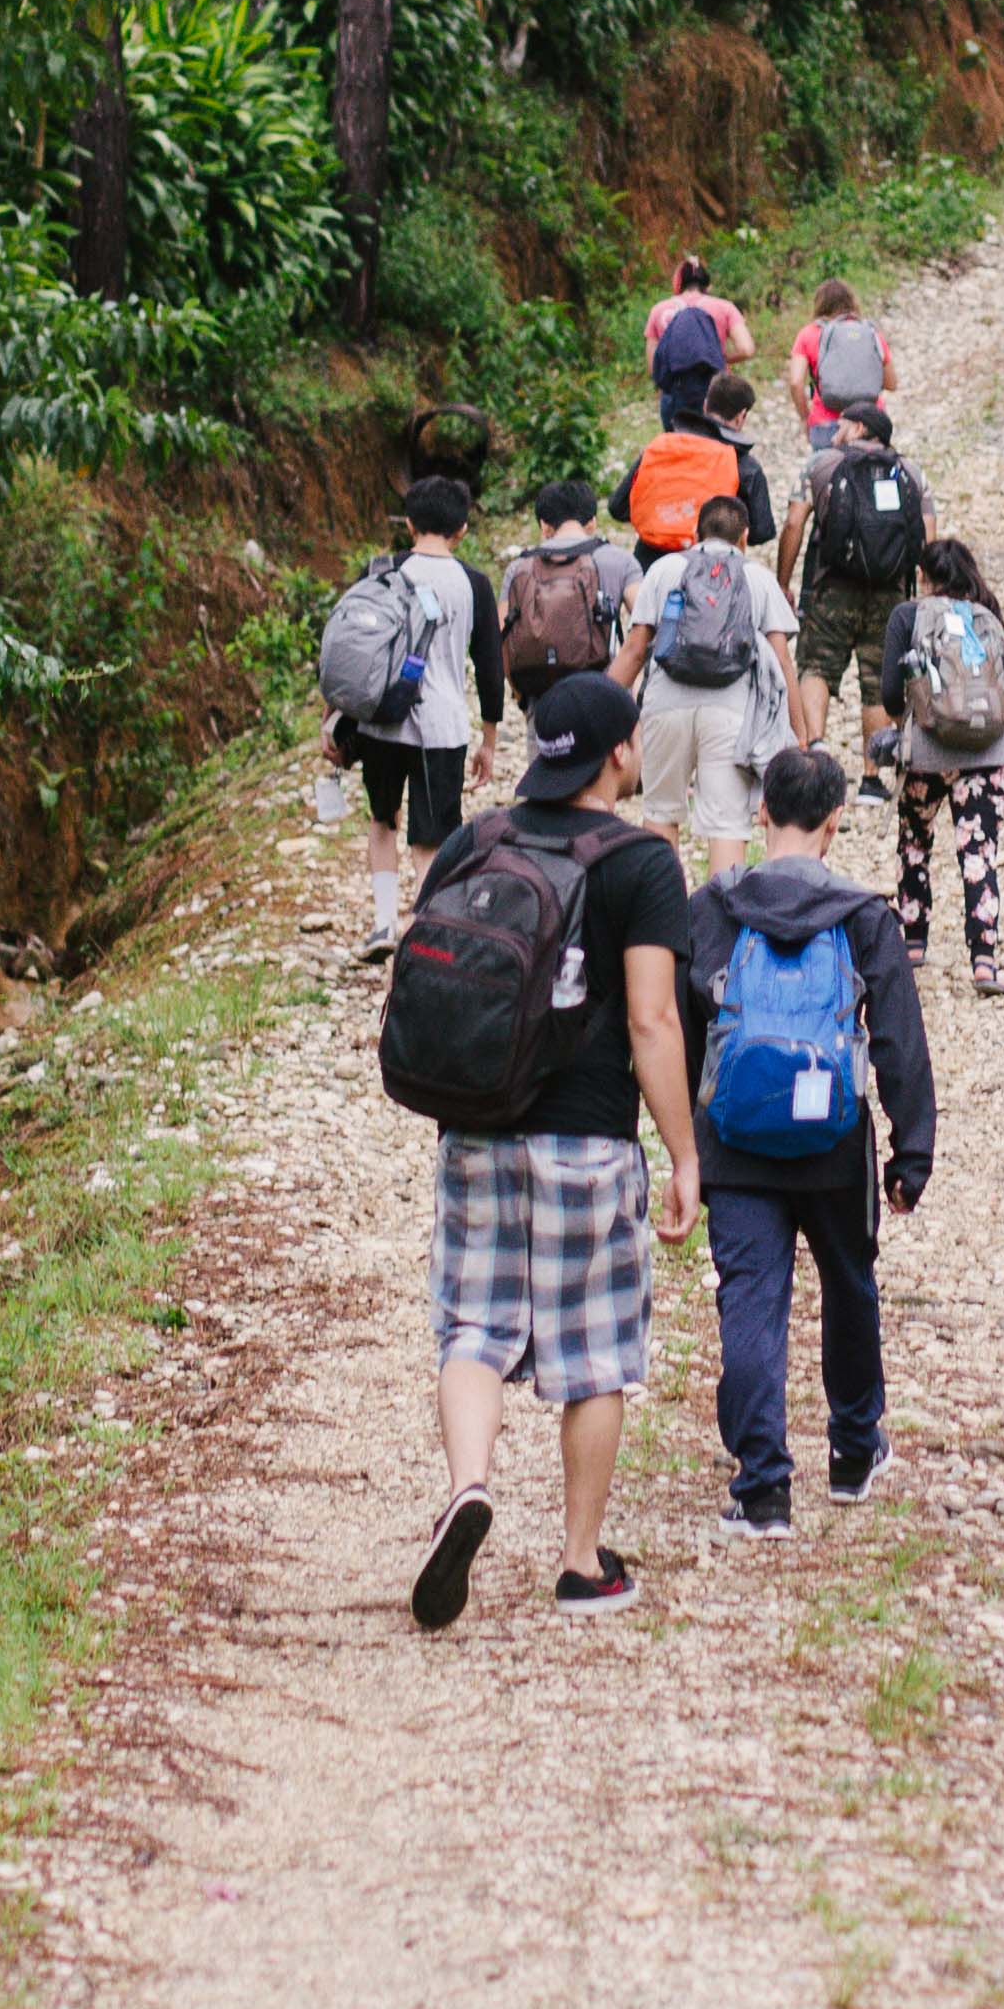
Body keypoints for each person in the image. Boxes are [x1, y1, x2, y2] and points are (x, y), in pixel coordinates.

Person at [400, 674, 703, 1627]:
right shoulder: (642, 864)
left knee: (473, 1330)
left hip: (477, 1128)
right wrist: (685, 1155)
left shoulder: (473, 839)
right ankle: (579, 1564)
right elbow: (653, 1021)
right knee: (594, 1354)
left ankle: (470, 1486)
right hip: (587, 1140)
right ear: (619, 754)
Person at [675, 747, 931, 1536]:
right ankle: (854, 1451)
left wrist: (687, 1142)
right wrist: (909, 1151)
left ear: (760, 813)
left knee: (750, 1300)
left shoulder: (712, 908)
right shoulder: (862, 915)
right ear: (835, 822)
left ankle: (763, 1491)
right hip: (834, 1145)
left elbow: (683, 1031)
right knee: (850, 1288)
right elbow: (897, 1040)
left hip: (735, 1144)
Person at [326, 478, 502, 961]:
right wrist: (489, 739)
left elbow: (350, 650)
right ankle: (420, 929)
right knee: (431, 835)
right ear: (462, 529)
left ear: (408, 523)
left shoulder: (379, 571)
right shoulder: (474, 584)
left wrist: (333, 716)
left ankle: (382, 923)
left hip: (380, 721)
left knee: (382, 818)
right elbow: (490, 667)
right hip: (441, 728)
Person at [863, 530, 1004, 996]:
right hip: (990, 754)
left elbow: (891, 696)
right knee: (978, 854)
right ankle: (985, 963)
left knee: (915, 842)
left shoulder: (908, 615)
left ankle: (913, 943)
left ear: (923, 577)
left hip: (926, 754)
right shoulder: (987, 616)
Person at [614, 492, 798, 873]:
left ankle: (663, 920)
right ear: (744, 536)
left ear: (696, 533)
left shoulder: (664, 570)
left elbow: (634, 650)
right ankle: (721, 924)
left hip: (665, 707)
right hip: (730, 712)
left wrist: (602, 713)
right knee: (727, 823)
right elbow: (782, 662)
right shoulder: (757, 578)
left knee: (661, 812)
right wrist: (803, 735)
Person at [777, 401, 925, 762]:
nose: (834, 432)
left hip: (833, 586)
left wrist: (782, 582)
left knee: (817, 667)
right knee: (876, 680)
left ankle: (815, 748)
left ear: (859, 428)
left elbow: (795, 522)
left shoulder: (822, 464)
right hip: (890, 591)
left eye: (841, 425)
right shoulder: (910, 471)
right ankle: (873, 777)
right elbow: (927, 537)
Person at [490, 481, 641, 729]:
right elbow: (646, 624)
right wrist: (623, 684)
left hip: (543, 694)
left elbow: (502, 637)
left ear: (544, 526)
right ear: (592, 522)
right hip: (604, 693)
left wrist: (521, 695)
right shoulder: (620, 561)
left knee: (547, 764)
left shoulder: (520, 568)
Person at [617, 370, 777, 555]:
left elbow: (617, 507)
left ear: (705, 404)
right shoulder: (745, 466)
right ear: (741, 415)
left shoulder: (662, 446)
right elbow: (762, 532)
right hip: (709, 567)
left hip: (649, 561)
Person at [642, 254, 755, 432]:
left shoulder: (659, 310)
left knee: (677, 449)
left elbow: (653, 363)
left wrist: (662, 389)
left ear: (680, 284)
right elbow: (746, 349)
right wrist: (721, 358)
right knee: (714, 449)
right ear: (707, 285)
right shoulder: (724, 307)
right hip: (715, 392)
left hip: (674, 391)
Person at [788, 276, 895, 448]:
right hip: (871, 422)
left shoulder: (808, 334)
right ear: (852, 302)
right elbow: (891, 384)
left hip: (826, 423)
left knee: (826, 472)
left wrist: (804, 417)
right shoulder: (869, 332)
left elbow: (795, 382)